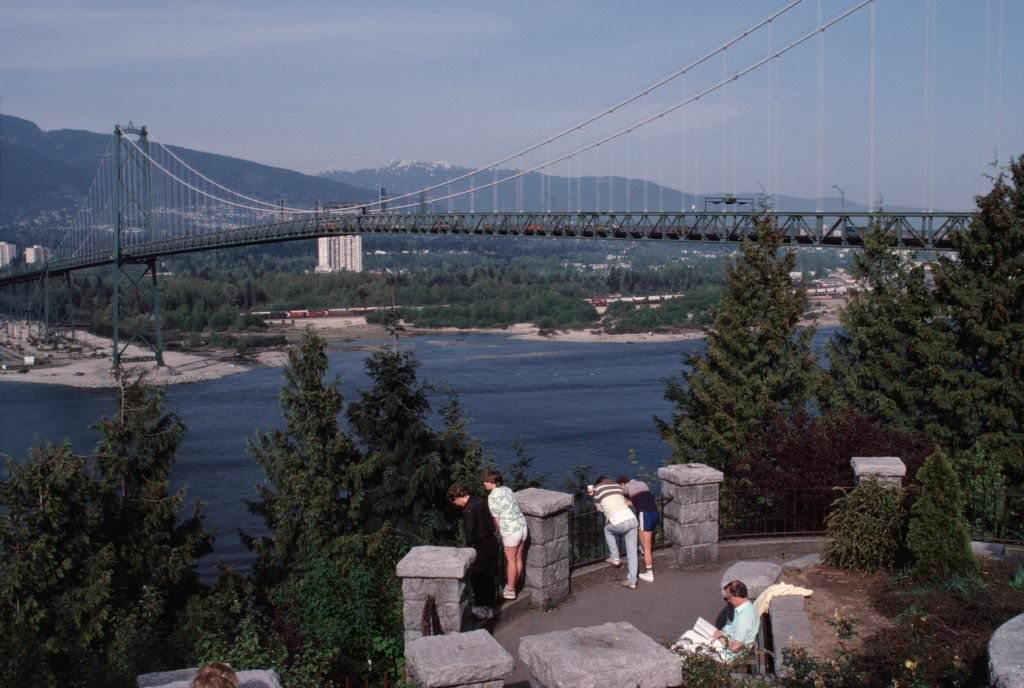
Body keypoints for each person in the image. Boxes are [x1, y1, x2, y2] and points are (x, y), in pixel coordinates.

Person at [448, 483, 500, 619]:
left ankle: (481, 608)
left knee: (477, 578)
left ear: (458, 497)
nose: (455, 504)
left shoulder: (468, 510)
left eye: (454, 501)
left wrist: (467, 549)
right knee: (490, 576)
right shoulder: (480, 501)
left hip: (480, 546)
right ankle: (491, 606)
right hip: (492, 542)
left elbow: (470, 531)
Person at [673, 579, 759, 662]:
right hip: (724, 641)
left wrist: (719, 637)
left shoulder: (743, 618)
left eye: (727, 598)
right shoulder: (746, 607)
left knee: (686, 643)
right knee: (689, 635)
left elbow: (735, 648)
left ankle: (671, 667)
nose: (728, 601)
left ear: (736, 597)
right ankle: (673, 662)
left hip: (727, 655)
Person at [483, 469, 528, 600]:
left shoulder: (492, 496)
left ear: (494, 482)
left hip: (510, 530)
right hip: (522, 526)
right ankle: (515, 584)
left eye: (487, 481)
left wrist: (498, 532)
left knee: (511, 561)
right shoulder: (507, 489)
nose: (484, 483)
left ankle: (510, 589)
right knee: (518, 559)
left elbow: (496, 518)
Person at [588, 476, 639, 589]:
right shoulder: (617, 487)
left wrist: (593, 495)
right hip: (632, 519)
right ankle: (632, 580)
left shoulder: (597, 490)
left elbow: (600, 509)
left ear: (597, 484)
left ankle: (615, 557)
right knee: (632, 552)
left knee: (607, 530)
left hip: (618, 521)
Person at [618, 475, 658, 583]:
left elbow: (623, 496)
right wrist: (631, 502)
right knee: (642, 533)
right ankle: (641, 548)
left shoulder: (626, 487)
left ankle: (649, 573)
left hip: (645, 514)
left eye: (620, 487)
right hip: (654, 512)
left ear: (622, 484)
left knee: (647, 546)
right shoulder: (642, 484)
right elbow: (640, 499)